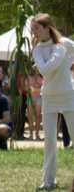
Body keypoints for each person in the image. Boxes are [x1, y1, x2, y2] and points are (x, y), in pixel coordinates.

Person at [31, 13, 74, 190]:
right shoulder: (37, 50)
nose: (34, 32)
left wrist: (69, 64)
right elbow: (45, 70)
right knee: (49, 140)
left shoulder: (65, 43)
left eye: (36, 28)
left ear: (47, 28)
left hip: (68, 95)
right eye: (32, 29)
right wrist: (60, 54)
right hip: (48, 97)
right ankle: (48, 180)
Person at [29, 66, 44, 140]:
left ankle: (37, 134)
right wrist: (36, 88)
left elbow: (42, 89)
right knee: (30, 116)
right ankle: (31, 134)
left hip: (39, 97)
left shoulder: (42, 78)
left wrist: (34, 88)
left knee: (38, 115)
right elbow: (27, 87)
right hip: (30, 97)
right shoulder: (30, 77)